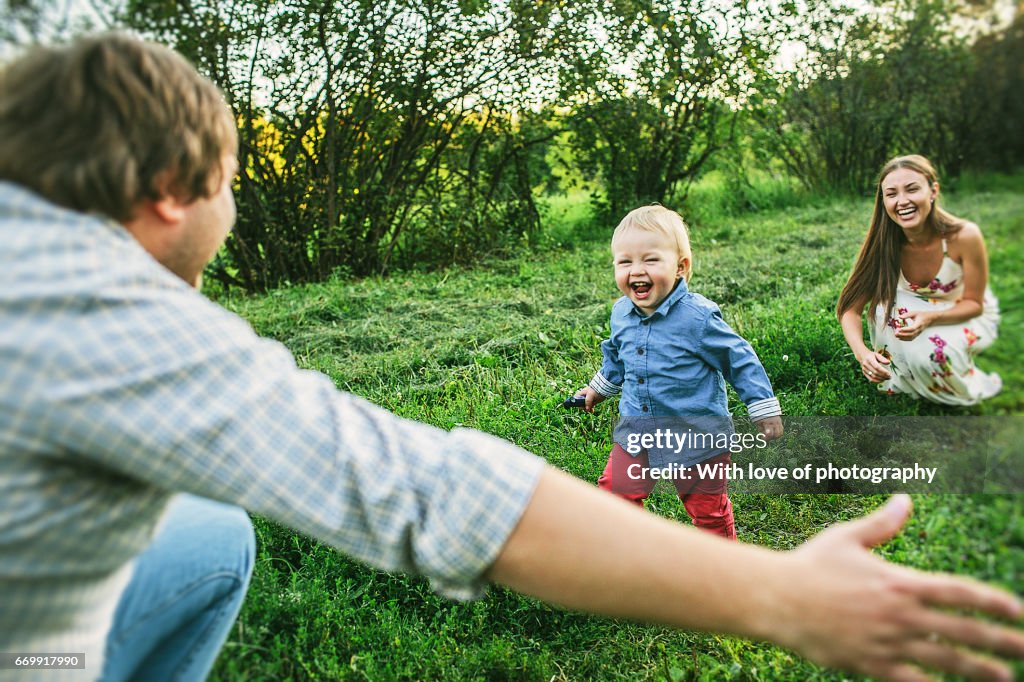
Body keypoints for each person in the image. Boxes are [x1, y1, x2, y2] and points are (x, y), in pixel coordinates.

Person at [0, 34, 1022, 682]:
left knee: (211, 536)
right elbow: (424, 491)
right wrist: (784, 600)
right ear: (175, 185)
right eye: (231, 183)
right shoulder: (97, 309)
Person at [571, 205, 783, 539]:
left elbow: (738, 358)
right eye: (625, 261)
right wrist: (597, 389)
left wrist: (763, 408)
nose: (636, 270)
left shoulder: (697, 318)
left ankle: (722, 564)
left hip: (698, 438)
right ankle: (618, 561)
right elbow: (617, 356)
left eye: (650, 260)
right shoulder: (621, 313)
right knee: (615, 497)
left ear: (680, 267)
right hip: (637, 433)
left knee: (707, 510)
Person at [837, 155, 1001, 405]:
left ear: (933, 191)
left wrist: (930, 318)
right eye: (891, 194)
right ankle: (906, 371)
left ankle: (941, 377)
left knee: (937, 353)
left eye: (912, 189)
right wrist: (863, 355)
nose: (902, 201)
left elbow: (974, 304)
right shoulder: (882, 243)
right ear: (883, 201)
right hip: (908, 305)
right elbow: (849, 309)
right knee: (888, 313)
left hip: (961, 309)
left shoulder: (964, 236)